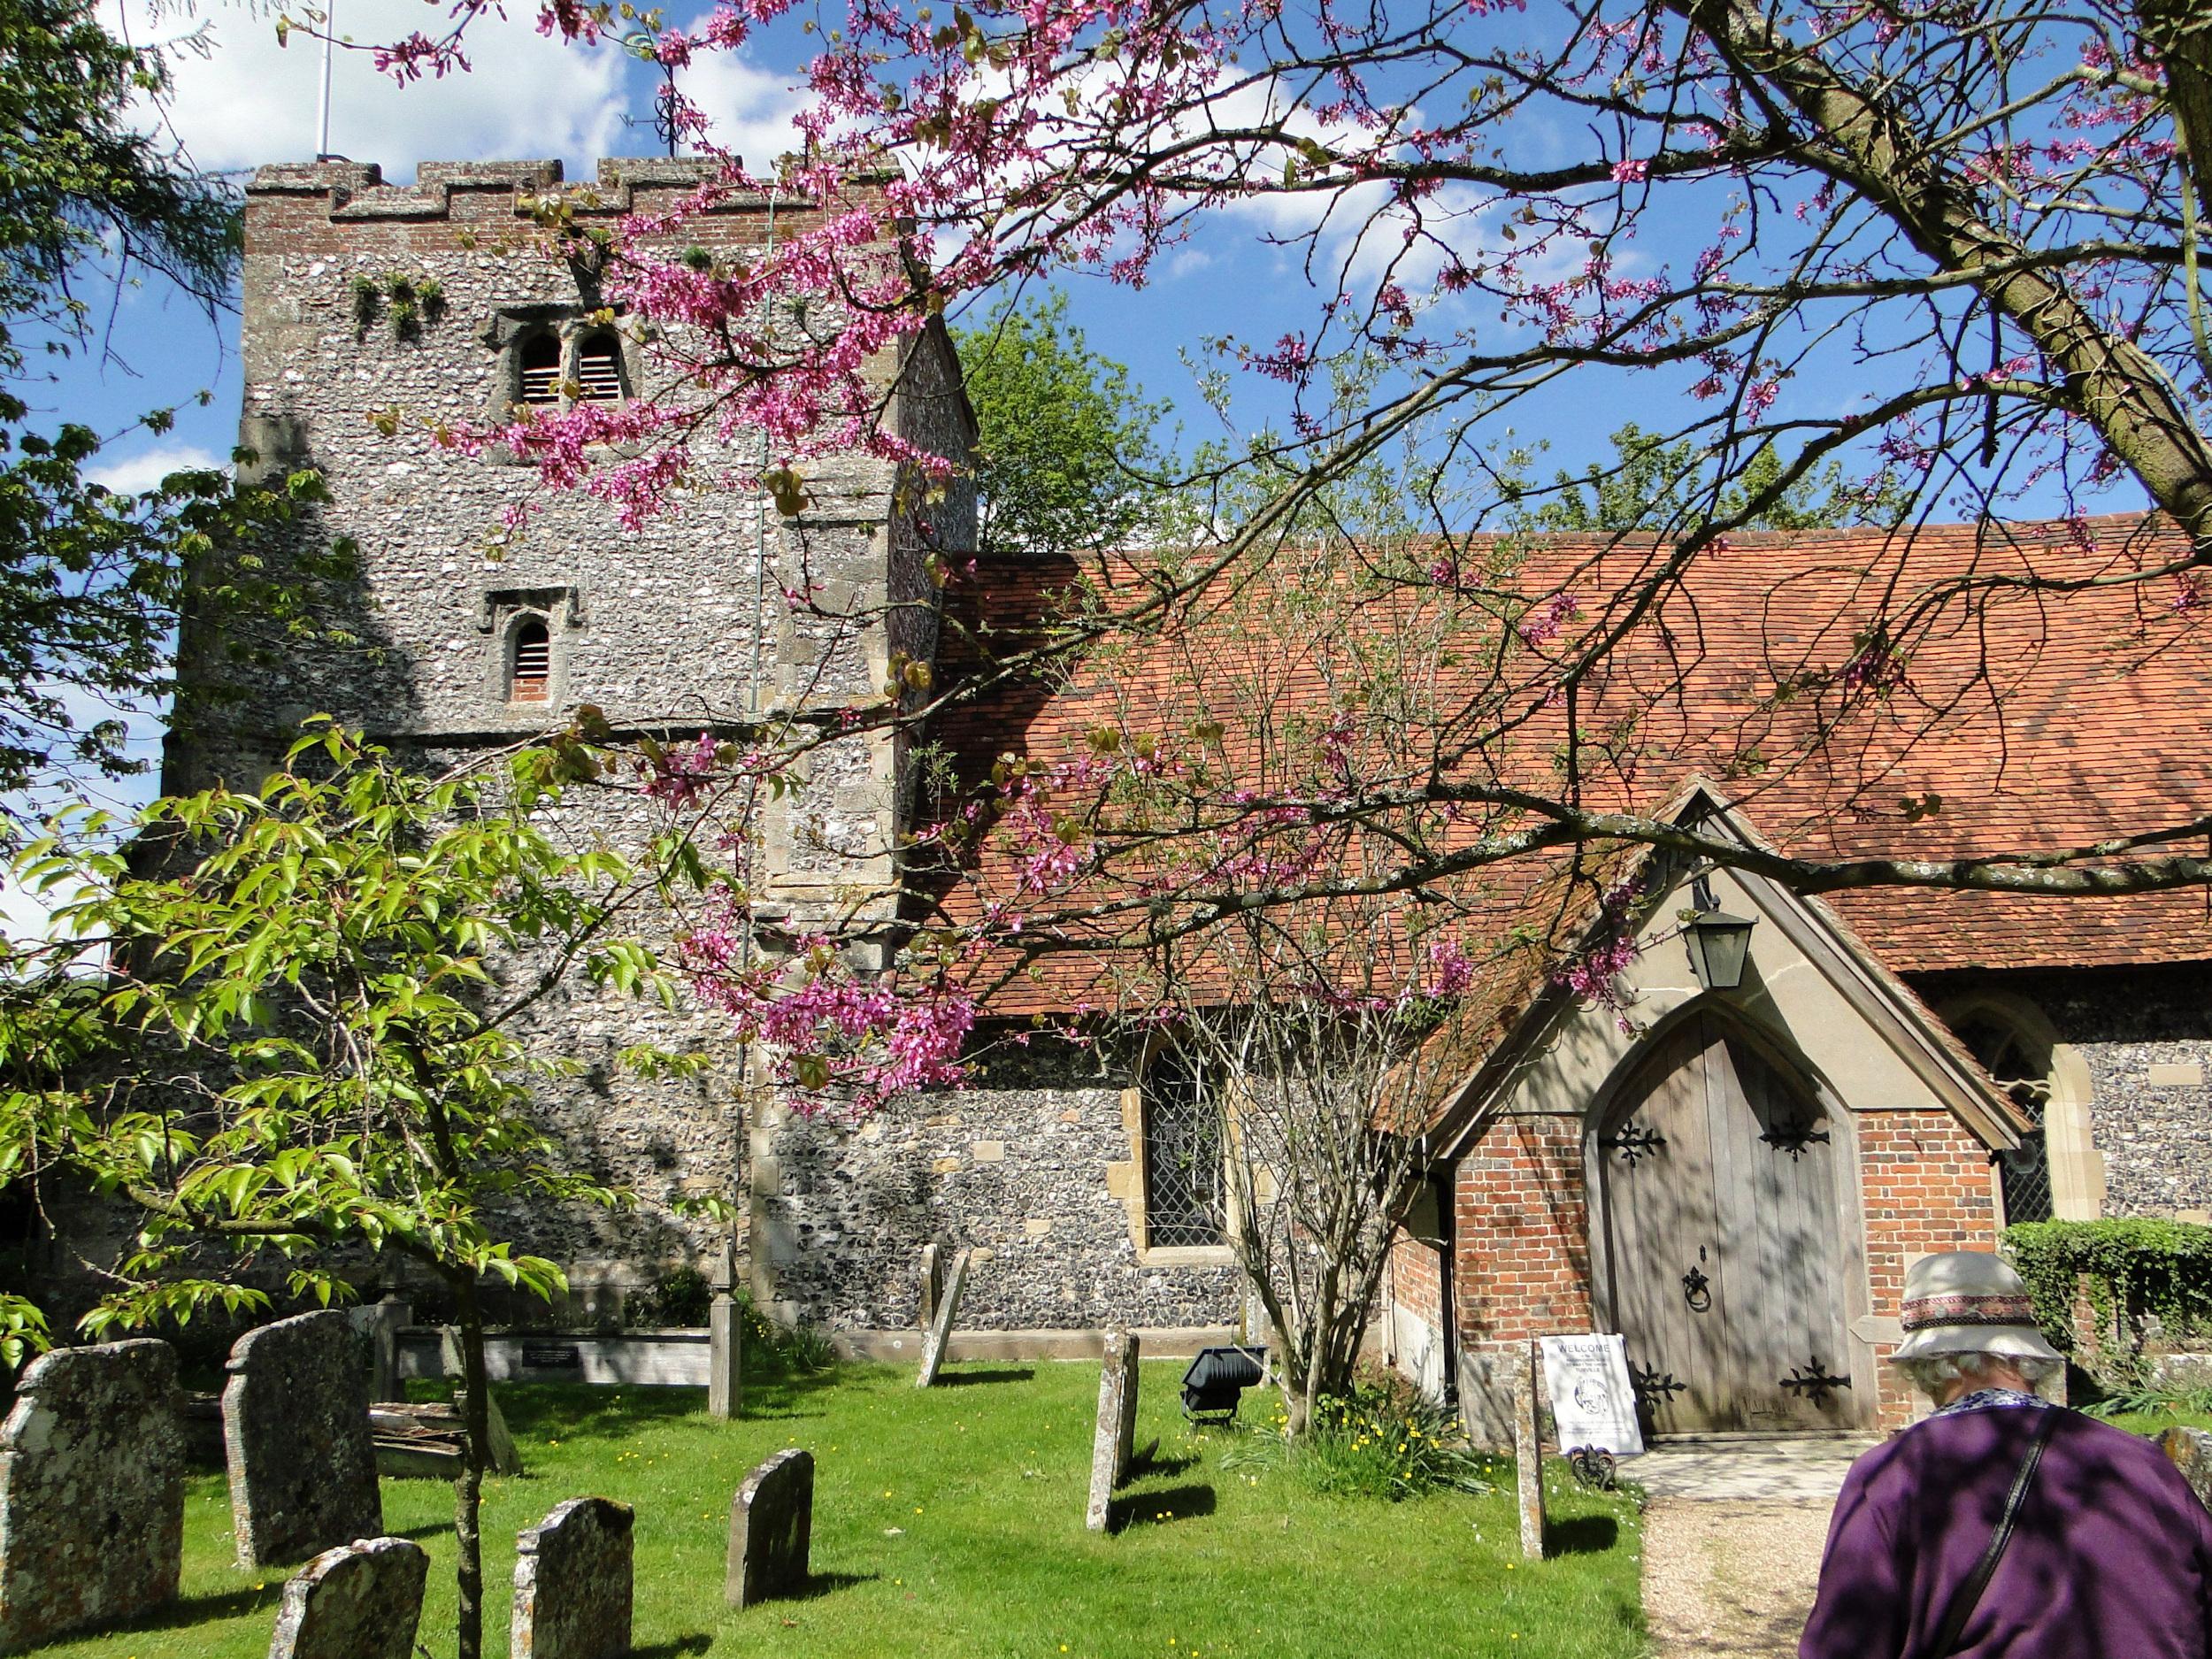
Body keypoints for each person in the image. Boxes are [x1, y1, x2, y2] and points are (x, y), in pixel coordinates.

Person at [1801, 1249, 2212, 1659]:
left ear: (1927, 1365)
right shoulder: (2141, 1462)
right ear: (2027, 1353)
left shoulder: (1891, 1475)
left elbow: (1843, 1644)